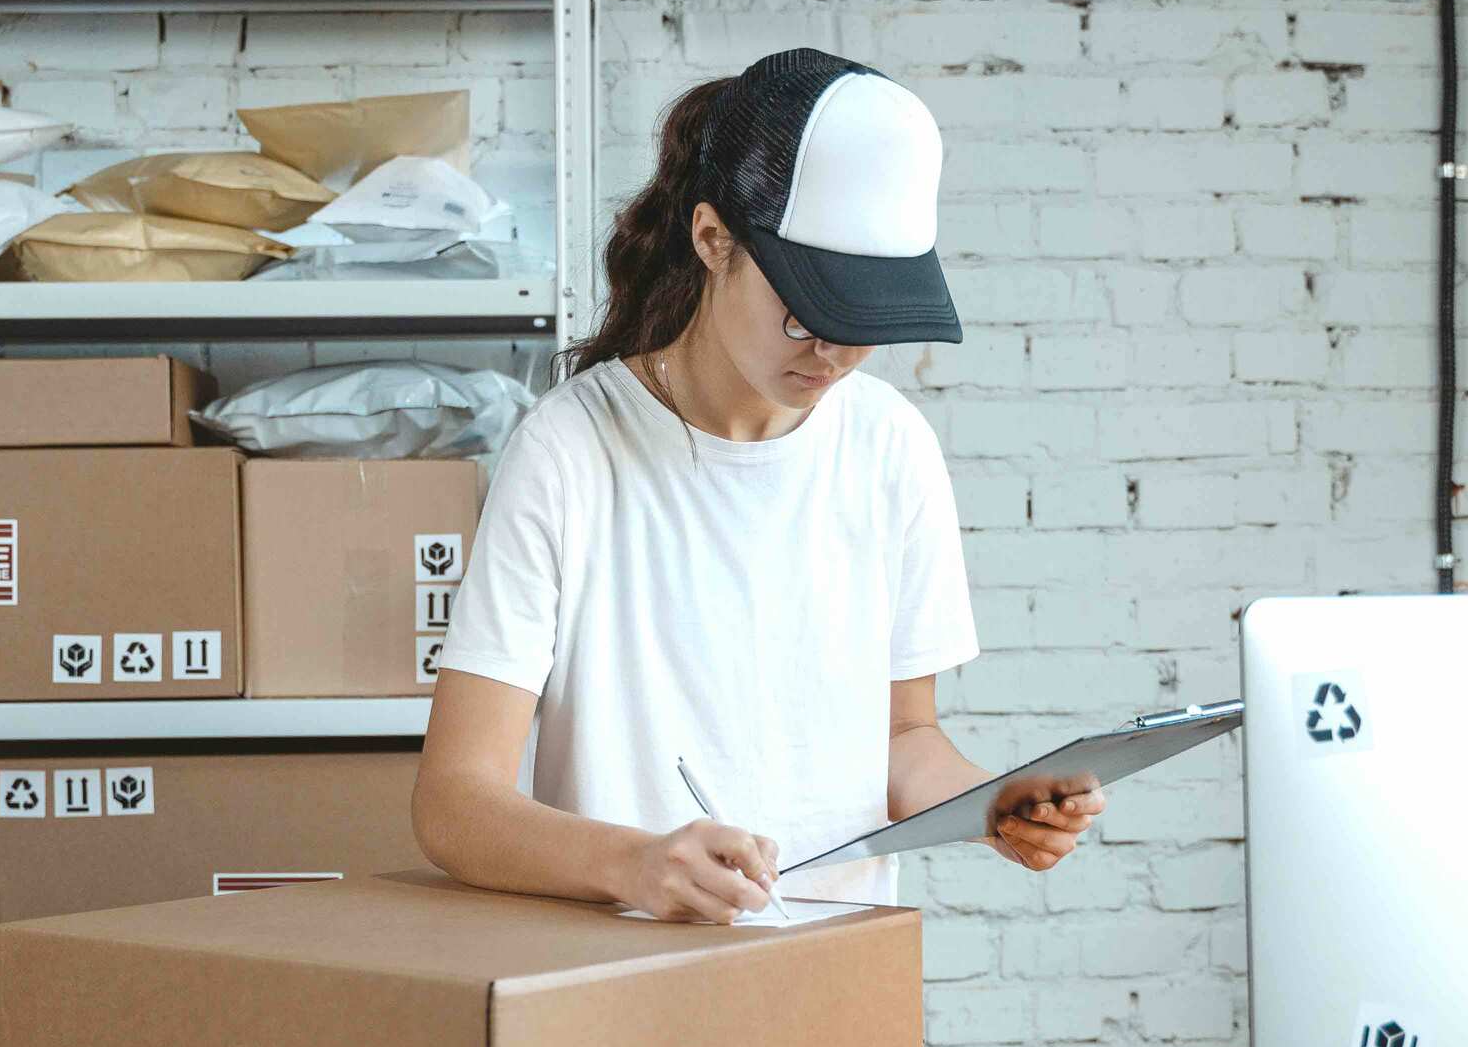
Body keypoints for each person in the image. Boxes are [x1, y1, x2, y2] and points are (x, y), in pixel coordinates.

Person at [414, 47, 1105, 922]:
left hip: (831, 974)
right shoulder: (571, 451)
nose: (834, 353)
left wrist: (993, 805)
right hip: (619, 983)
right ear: (713, 240)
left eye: (865, 321)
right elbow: (452, 805)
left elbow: (902, 739)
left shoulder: (889, 447)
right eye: (806, 308)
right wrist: (637, 864)